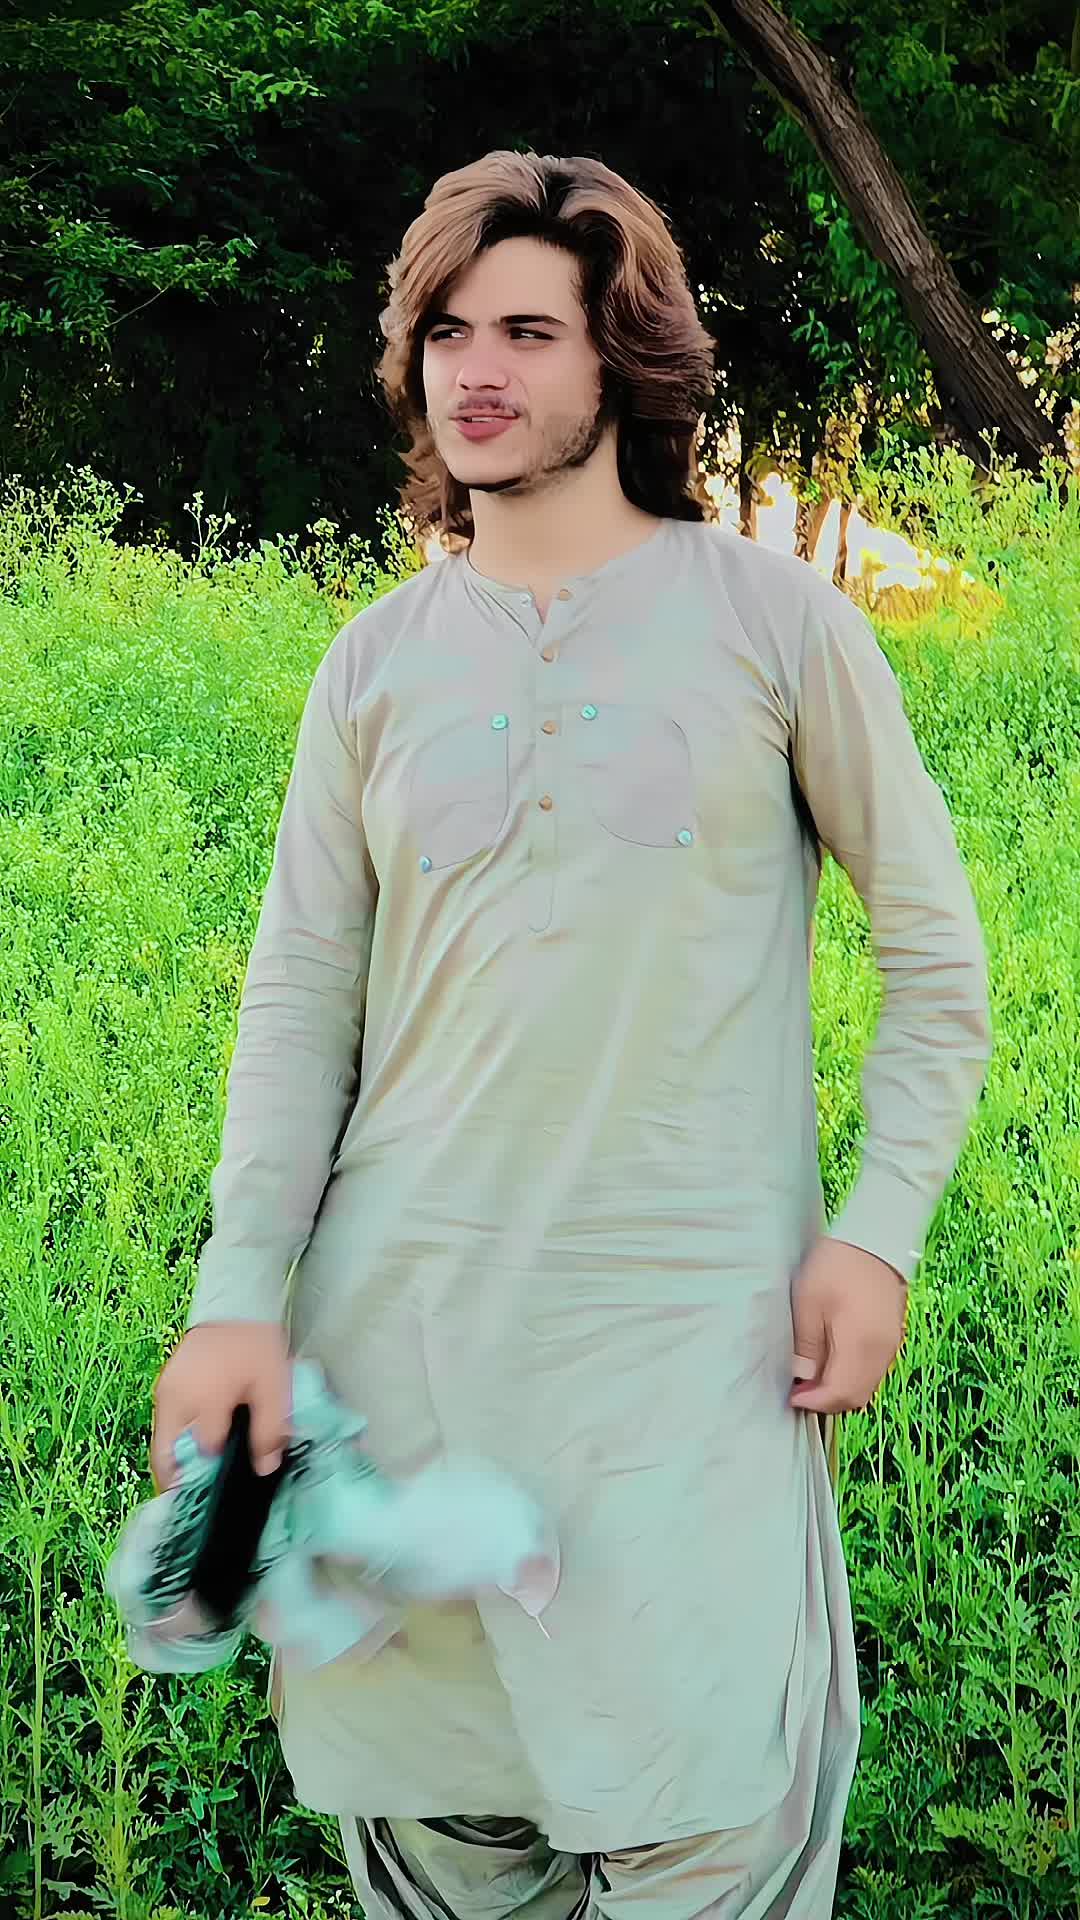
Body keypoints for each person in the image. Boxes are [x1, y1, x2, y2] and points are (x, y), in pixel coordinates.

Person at [151, 150, 992, 1918]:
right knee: (448, 1843)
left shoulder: (778, 624)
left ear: (625, 356)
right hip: (404, 1366)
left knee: (714, 1825)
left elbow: (935, 958)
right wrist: (237, 1298)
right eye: (448, 330)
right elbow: (299, 1002)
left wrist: (878, 1232)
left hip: (691, 1370)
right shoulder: (372, 665)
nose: (477, 370)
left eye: (529, 331)